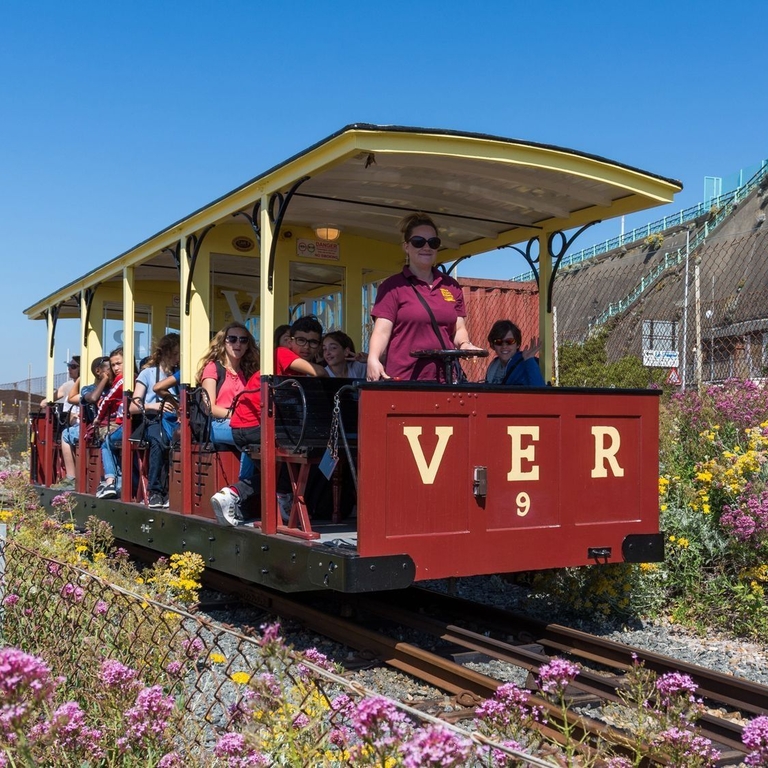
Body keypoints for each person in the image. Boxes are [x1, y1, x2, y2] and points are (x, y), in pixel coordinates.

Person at [367, 212, 481, 382]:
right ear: (406, 246)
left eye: (433, 243)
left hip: (445, 379)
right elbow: (382, 331)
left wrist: (465, 344)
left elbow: (458, 329)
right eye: (418, 242)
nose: (426, 247)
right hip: (405, 379)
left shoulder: (451, 286)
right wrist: (373, 359)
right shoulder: (392, 287)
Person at [129, 333, 180, 509]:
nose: (177, 358)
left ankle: (175, 489)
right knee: (159, 440)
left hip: (174, 420)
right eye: (175, 354)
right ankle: (155, 491)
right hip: (152, 420)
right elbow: (133, 406)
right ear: (165, 352)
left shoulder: (179, 375)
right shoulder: (147, 373)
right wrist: (153, 406)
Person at [196, 322, 260, 447]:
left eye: (243, 340)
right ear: (223, 342)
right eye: (232, 339)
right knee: (255, 434)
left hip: (244, 423)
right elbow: (210, 407)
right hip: (218, 424)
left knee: (259, 435)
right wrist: (237, 416)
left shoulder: (249, 372)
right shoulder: (213, 368)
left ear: (248, 345)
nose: (238, 344)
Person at [53, 356, 107, 489]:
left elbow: (72, 397)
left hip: (98, 427)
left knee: (66, 434)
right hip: (104, 425)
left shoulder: (89, 388)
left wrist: (80, 379)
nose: (70, 369)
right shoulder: (116, 386)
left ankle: (71, 477)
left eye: (73, 367)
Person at [93, 348, 125, 499]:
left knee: (106, 443)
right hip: (126, 424)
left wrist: (97, 419)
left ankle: (111, 482)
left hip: (125, 425)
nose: (116, 368)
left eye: (119, 363)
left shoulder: (123, 380)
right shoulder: (134, 377)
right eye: (113, 365)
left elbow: (106, 401)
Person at [484, 320, 545, 386]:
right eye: (498, 342)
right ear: (493, 345)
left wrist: (529, 360)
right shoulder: (493, 366)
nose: (504, 346)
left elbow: (540, 390)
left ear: (518, 344)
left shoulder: (526, 364)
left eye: (509, 341)